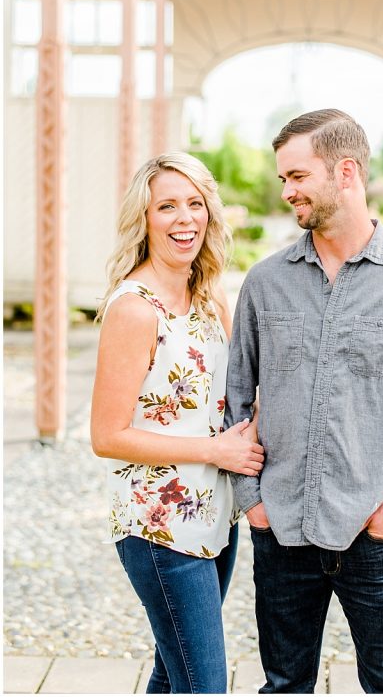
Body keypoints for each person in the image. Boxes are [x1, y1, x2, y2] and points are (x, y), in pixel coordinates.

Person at [224, 109, 383, 694]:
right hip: (280, 530)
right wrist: (251, 500)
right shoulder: (265, 282)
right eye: (282, 178)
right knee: (284, 685)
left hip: (375, 534)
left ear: (346, 171)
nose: (286, 191)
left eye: (297, 176)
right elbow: (234, 397)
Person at [91, 152, 265, 694]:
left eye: (195, 204)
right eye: (167, 206)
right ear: (144, 219)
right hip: (159, 526)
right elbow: (106, 436)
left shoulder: (211, 294)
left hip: (218, 515)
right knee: (205, 685)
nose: (184, 218)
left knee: (175, 675)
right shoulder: (134, 309)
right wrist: (216, 452)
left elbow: (238, 394)